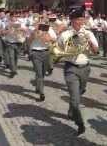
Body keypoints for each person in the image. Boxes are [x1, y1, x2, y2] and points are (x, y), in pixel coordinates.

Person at [58, 8, 98, 136]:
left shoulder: (88, 33)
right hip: (71, 68)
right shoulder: (65, 34)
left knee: (79, 92)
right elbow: (57, 50)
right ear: (72, 20)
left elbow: (96, 51)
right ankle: (80, 123)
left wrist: (90, 42)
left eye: (83, 19)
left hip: (85, 68)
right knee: (76, 100)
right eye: (79, 19)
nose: (81, 21)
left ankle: (71, 110)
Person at [29, 18, 57, 102]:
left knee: (42, 73)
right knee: (39, 73)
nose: (39, 23)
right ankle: (42, 93)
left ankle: (38, 86)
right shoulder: (32, 30)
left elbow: (54, 39)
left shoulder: (49, 29)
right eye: (37, 22)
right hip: (35, 53)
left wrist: (47, 36)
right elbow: (29, 40)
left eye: (40, 21)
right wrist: (35, 34)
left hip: (46, 52)